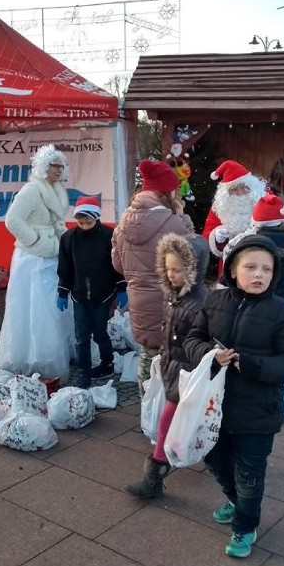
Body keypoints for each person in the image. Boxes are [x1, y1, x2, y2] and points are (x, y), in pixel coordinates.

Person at [184, 234, 284, 558]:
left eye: (266, 269)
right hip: (214, 407)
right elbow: (193, 339)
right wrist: (210, 354)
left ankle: (245, 525)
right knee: (214, 458)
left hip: (257, 413)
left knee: (250, 474)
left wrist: (251, 364)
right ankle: (234, 499)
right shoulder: (214, 301)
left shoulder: (280, 310)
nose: (258, 275)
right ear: (233, 269)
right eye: (250, 266)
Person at [126, 232, 210, 498]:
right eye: (168, 268)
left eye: (178, 270)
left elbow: (202, 341)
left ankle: (154, 475)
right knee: (189, 423)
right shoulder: (174, 296)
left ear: (194, 270)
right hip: (175, 371)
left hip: (189, 375)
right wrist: (164, 355)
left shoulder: (201, 302)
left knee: (168, 421)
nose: (172, 275)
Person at [112, 159, 194, 389]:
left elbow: (119, 265)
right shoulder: (173, 223)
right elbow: (192, 258)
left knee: (147, 358)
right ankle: (169, 416)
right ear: (167, 191)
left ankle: (147, 415)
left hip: (138, 303)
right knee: (174, 363)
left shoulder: (124, 222)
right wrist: (183, 219)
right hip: (168, 303)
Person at [0, 144, 73, 380]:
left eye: (61, 165)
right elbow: (12, 220)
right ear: (42, 167)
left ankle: (51, 353)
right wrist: (36, 239)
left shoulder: (57, 190)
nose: (58, 170)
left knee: (53, 307)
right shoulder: (30, 191)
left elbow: (57, 221)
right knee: (33, 309)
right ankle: (31, 357)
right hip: (31, 257)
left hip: (53, 254)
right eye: (53, 165)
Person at [225, 190, 284, 419]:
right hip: (282, 302)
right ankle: (283, 402)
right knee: (280, 353)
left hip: (255, 305)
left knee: (252, 350)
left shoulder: (253, 245)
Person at [57, 196, 127, 388]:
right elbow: (65, 266)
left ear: (96, 217)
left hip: (102, 294)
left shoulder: (108, 235)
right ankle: (84, 373)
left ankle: (107, 363)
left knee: (100, 333)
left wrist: (121, 287)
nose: (85, 225)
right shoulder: (68, 238)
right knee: (81, 337)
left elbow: (117, 264)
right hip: (79, 294)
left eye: (88, 221)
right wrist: (62, 291)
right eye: (81, 222)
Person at [202, 161, 265, 281]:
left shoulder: (263, 201)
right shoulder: (219, 207)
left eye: (244, 187)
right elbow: (206, 234)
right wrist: (216, 236)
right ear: (226, 193)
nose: (240, 193)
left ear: (252, 187)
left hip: (259, 263)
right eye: (234, 190)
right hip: (230, 266)